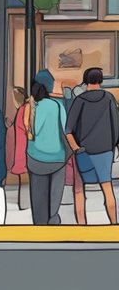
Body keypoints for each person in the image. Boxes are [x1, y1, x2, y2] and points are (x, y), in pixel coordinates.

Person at [66, 67, 119, 225]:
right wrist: (112, 146)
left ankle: (82, 227)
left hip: (83, 153)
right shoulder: (109, 98)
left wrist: (76, 149)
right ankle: (114, 224)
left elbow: (68, 130)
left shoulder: (79, 101)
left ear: (86, 81)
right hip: (105, 151)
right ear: (101, 80)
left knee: (79, 190)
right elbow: (116, 126)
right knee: (107, 188)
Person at [27, 70, 69, 225]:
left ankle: (40, 224)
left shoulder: (33, 106)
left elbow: (33, 130)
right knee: (55, 192)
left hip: (36, 158)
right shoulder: (58, 106)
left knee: (38, 195)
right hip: (58, 158)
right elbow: (65, 129)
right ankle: (53, 219)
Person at [8, 87, 30, 208]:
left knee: (24, 174)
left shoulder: (24, 108)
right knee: (24, 174)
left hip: (23, 146)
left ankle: (25, 203)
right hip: (22, 145)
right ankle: (24, 202)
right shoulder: (23, 108)